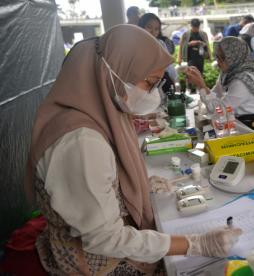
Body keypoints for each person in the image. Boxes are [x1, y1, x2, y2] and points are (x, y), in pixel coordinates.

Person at [25, 25, 242, 275]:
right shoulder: (80, 142)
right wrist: (195, 243)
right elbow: (105, 240)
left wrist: (139, 183)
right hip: (97, 261)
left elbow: (96, 184)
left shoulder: (96, 113)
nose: (152, 95)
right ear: (113, 72)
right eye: (148, 83)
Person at [186, 37, 254, 134]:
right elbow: (214, 97)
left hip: (248, 128)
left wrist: (201, 85)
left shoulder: (242, 81)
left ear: (235, 56)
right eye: (217, 56)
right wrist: (202, 86)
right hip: (234, 124)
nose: (218, 61)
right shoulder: (228, 74)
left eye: (223, 57)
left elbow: (218, 109)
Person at [138, 13, 177, 92]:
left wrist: (174, 80)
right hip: (142, 86)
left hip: (161, 84)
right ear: (141, 26)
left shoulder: (160, 43)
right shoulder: (135, 44)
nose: (153, 31)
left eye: (156, 29)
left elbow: (169, 66)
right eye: (149, 27)